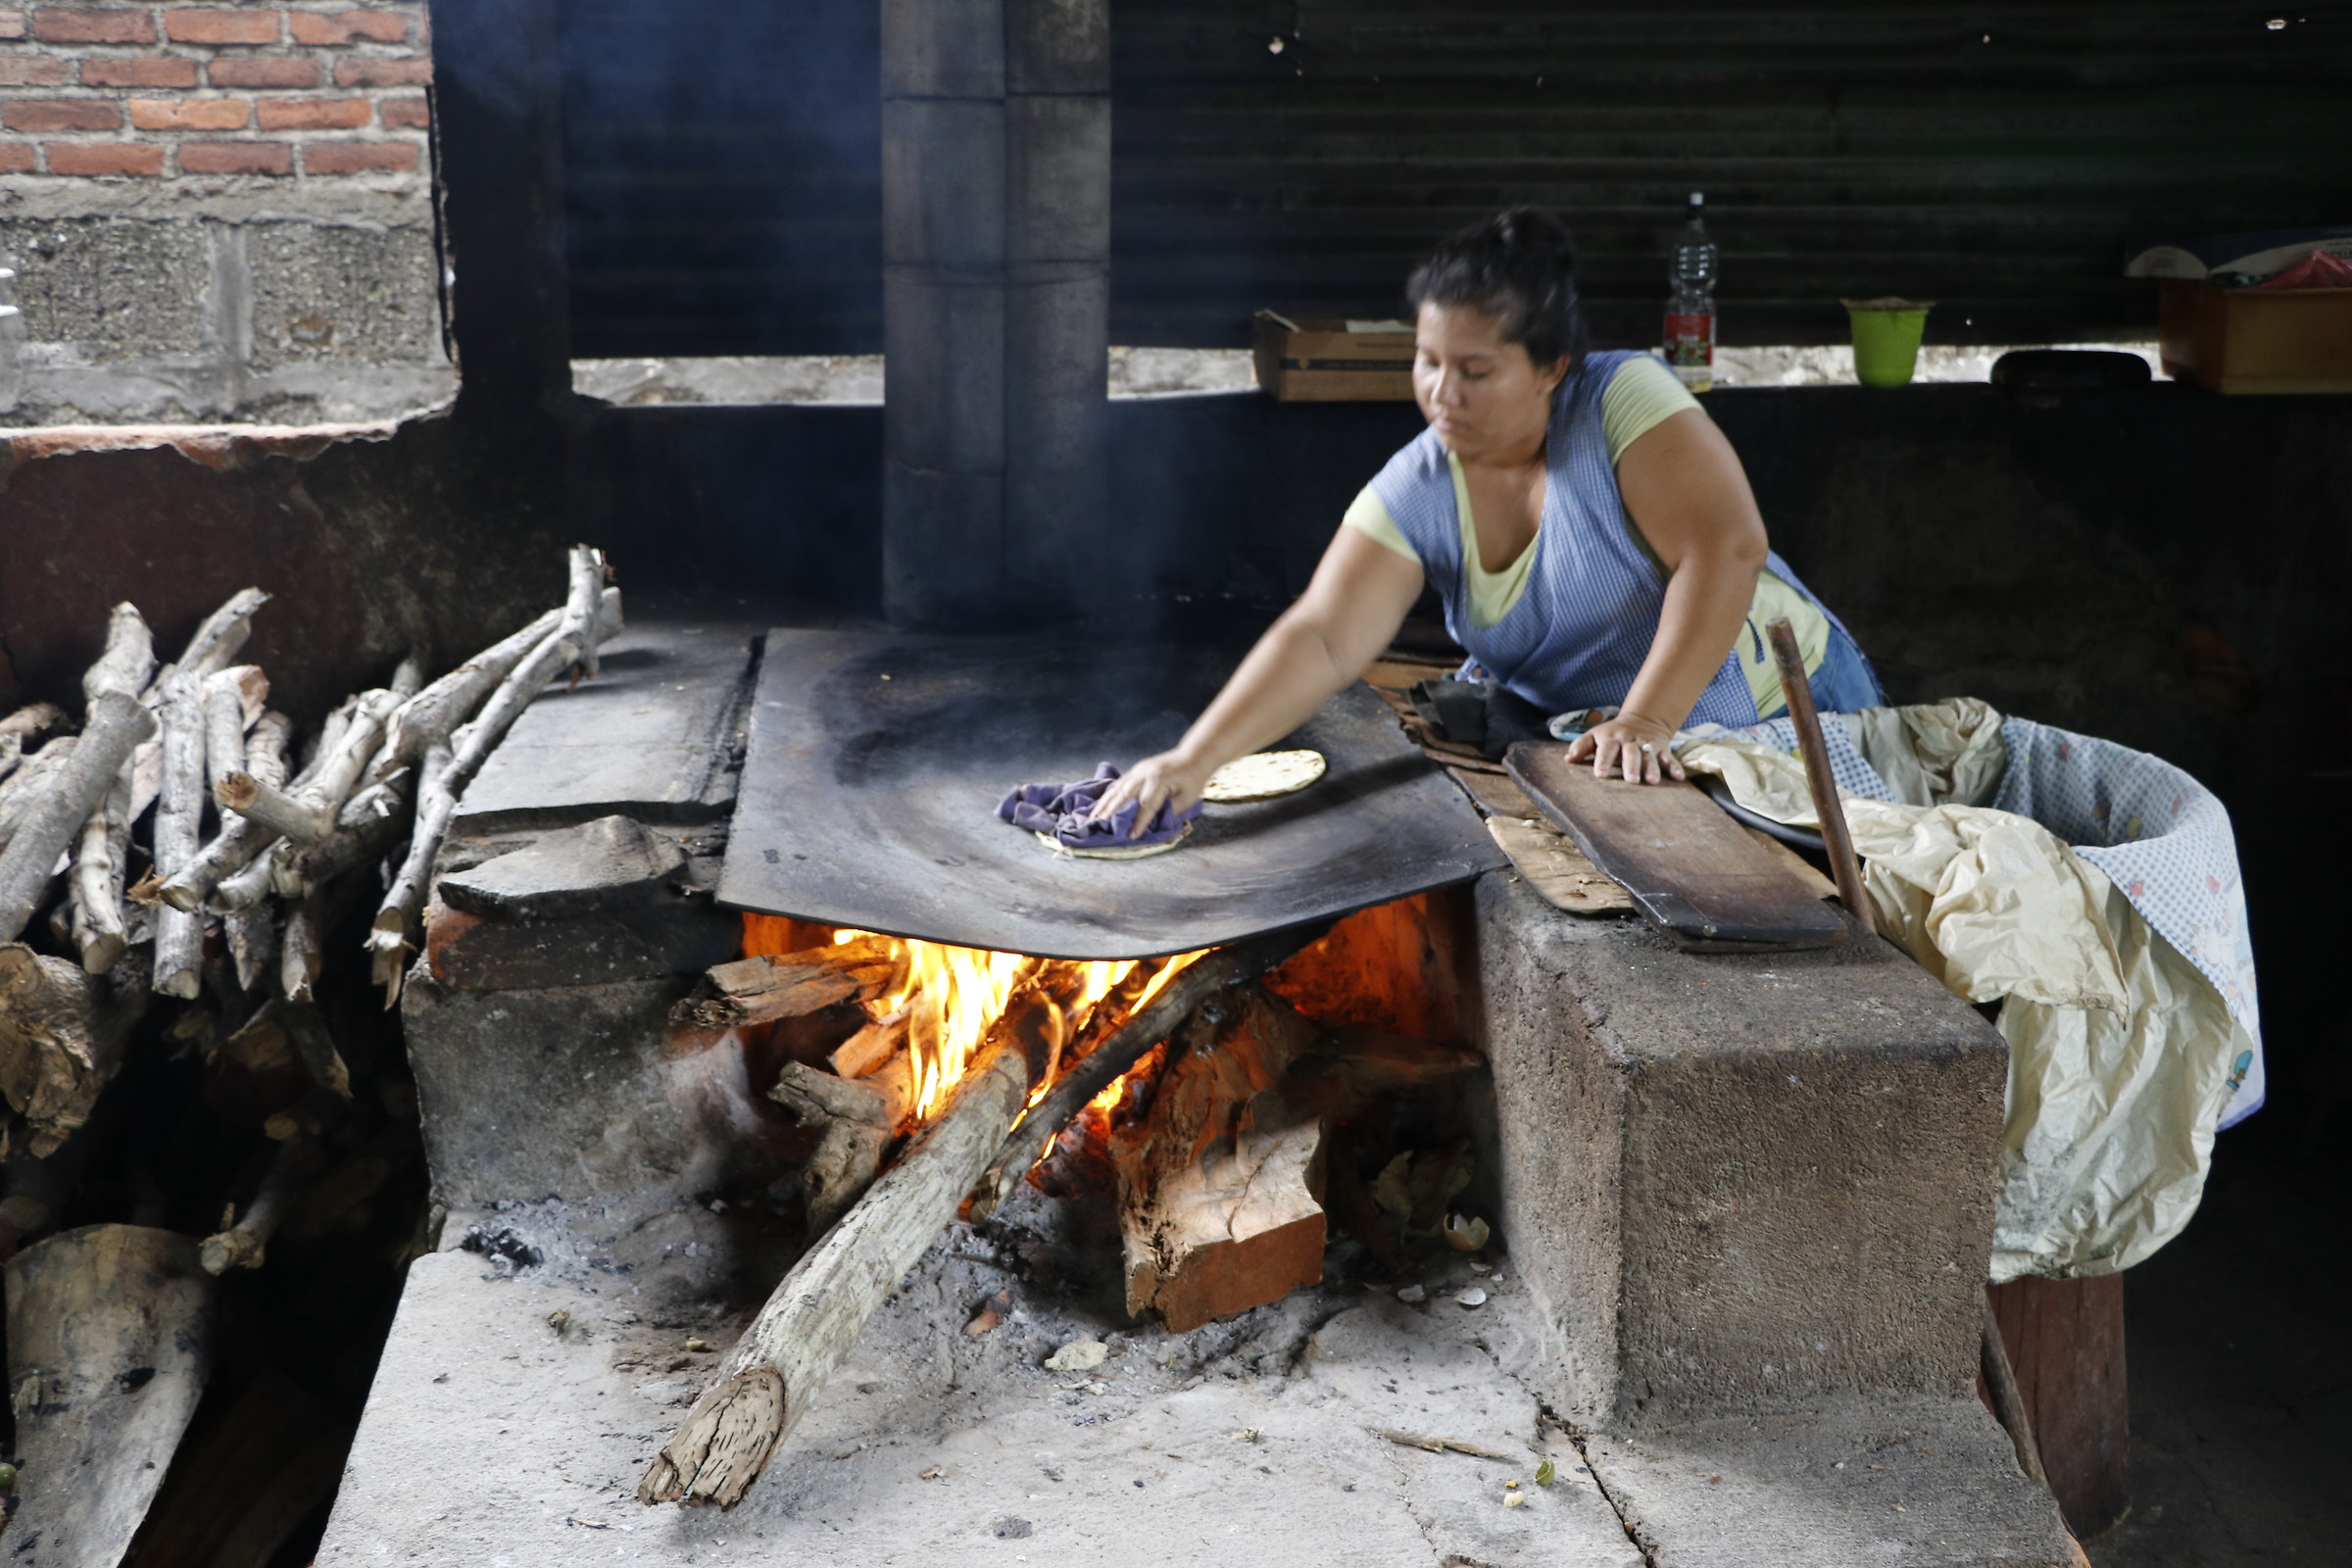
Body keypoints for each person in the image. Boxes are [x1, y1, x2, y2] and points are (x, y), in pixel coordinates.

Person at [1095, 207, 1881, 834]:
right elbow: (1325, 635)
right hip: (1618, 743)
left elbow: (1726, 551)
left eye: (1476, 371)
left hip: (1782, 703)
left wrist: (1646, 720)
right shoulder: (1420, 484)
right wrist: (1191, 761)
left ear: (1551, 369)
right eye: (1429, 360)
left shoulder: (1622, 399)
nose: (1443, 393)